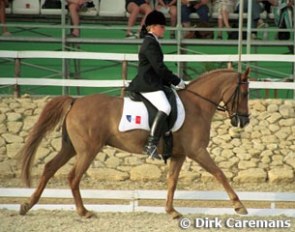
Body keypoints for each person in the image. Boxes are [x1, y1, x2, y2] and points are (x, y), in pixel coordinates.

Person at [126, 10, 185, 160]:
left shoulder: (152, 41)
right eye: (162, 27)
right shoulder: (150, 43)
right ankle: (150, 144)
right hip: (148, 83)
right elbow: (159, 68)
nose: (164, 29)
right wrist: (176, 81)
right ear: (152, 27)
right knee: (165, 107)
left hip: (153, 81)